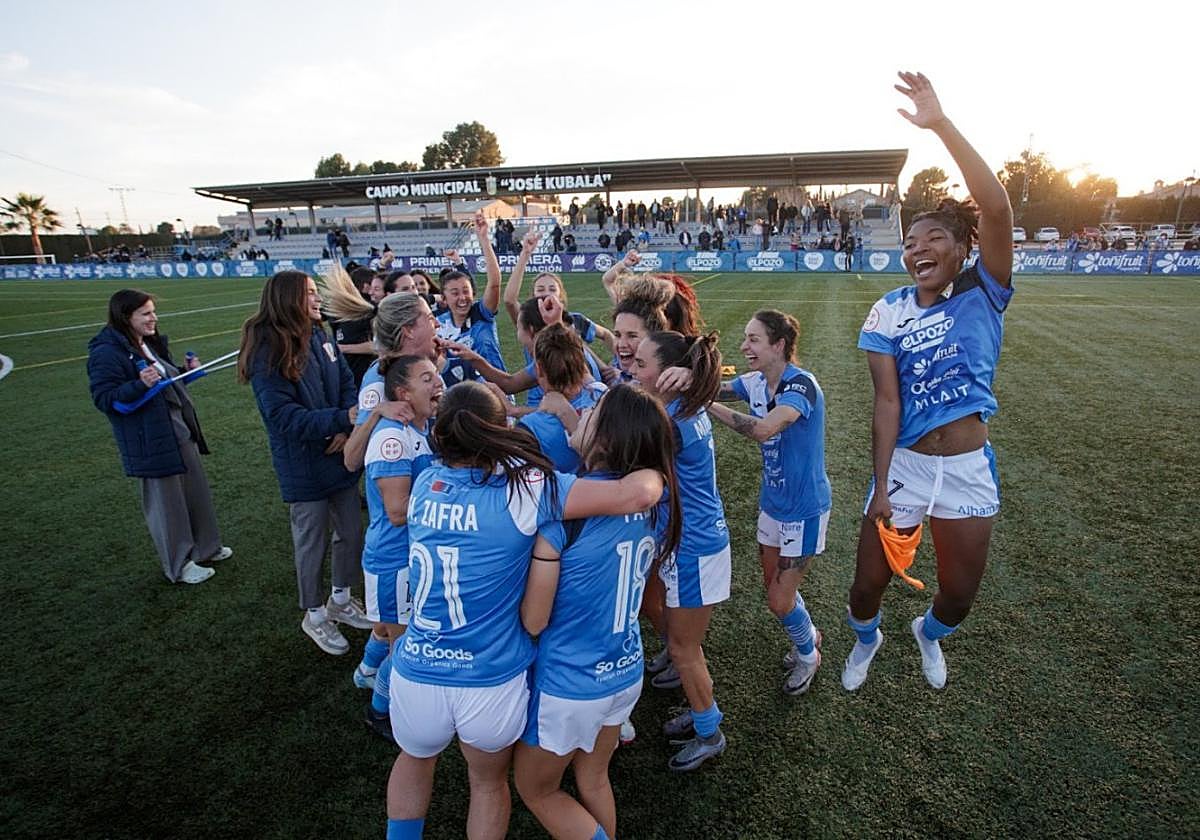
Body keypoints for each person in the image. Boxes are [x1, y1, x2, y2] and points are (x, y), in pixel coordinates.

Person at [383, 381, 668, 840]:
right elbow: (634, 494)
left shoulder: (423, 485)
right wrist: (656, 472)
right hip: (490, 678)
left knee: (414, 760)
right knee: (489, 783)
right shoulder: (528, 490)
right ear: (499, 432)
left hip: (418, 668)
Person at [844, 71, 1014, 692]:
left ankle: (927, 634)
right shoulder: (888, 310)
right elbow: (886, 402)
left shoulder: (983, 293)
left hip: (968, 468)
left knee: (959, 595)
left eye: (934, 238)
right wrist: (884, 484)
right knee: (866, 586)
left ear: (964, 248)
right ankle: (869, 638)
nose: (918, 249)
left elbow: (996, 207)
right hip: (907, 466)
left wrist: (939, 123)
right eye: (911, 242)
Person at [513, 385, 682, 840]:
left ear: (607, 437)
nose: (583, 411)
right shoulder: (650, 505)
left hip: (570, 680)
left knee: (536, 789)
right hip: (623, 671)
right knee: (593, 778)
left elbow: (534, 620)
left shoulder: (566, 511)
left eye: (594, 410)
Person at [238, 271, 372, 655]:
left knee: (350, 530)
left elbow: (347, 382)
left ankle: (341, 600)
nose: (317, 299)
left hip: (338, 452)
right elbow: (282, 417)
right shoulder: (268, 350)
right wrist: (338, 421)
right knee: (311, 541)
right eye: (310, 293)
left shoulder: (319, 334)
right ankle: (314, 614)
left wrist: (347, 428)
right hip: (302, 463)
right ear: (287, 299)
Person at [708, 311, 831, 695]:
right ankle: (808, 632)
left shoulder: (801, 386)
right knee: (775, 589)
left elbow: (763, 430)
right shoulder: (756, 382)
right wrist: (685, 379)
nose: (744, 346)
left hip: (804, 509)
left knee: (779, 601)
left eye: (754, 339)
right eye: (745, 338)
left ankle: (809, 654)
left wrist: (704, 403)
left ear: (778, 345)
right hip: (772, 504)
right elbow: (717, 387)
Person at [630, 330, 730, 771]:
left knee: (683, 648)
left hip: (694, 547)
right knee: (681, 642)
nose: (633, 369)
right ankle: (700, 710)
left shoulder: (670, 420)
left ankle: (710, 733)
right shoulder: (678, 408)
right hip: (690, 541)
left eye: (641, 363)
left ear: (669, 374)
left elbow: (616, 456)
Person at [87, 290, 231, 585]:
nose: (154, 319)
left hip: (179, 431)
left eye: (153, 312)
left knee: (196, 494)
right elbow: (105, 398)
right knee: (167, 505)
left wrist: (187, 372)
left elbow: (167, 379)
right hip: (150, 439)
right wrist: (138, 385)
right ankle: (179, 564)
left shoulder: (147, 343)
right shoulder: (107, 352)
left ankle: (207, 547)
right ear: (126, 317)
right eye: (146, 314)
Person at [355, 354, 442, 740]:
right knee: (406, 645)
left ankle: (366, 674)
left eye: (437, 375)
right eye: (428, 379)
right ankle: (379, 713)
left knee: (390, 631)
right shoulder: (393, 436)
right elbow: (396, 511)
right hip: (395, 561)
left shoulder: (418, 428)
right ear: (404, 393)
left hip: (409, 557)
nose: (438, 384)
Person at [437, 214, 506, 376]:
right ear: (444, 299)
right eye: (455, 293)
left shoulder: (481, 313)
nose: (462, 297)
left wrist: (483, 238)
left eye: (466, 291)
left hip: (495, 391)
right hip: (460, 397)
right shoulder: (438, 325)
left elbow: (495, 283)